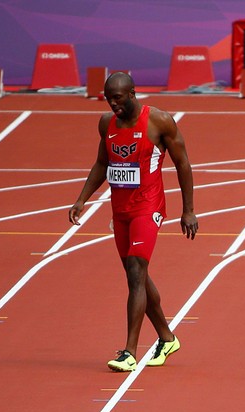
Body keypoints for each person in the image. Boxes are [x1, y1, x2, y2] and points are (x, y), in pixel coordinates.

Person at [68, 72, 198, 372]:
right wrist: (82, 198)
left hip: (148, 207)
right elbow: (103, 163)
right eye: (108, 99)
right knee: (134, 274)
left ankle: (129, 351)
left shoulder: (159, 121)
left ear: (133, 93)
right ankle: (167, 338)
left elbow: (183, 163)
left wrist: (188, 210)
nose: (113, 105)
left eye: (118, 99)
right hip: (121, 210)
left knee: (137, 270)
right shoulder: (107, 124)